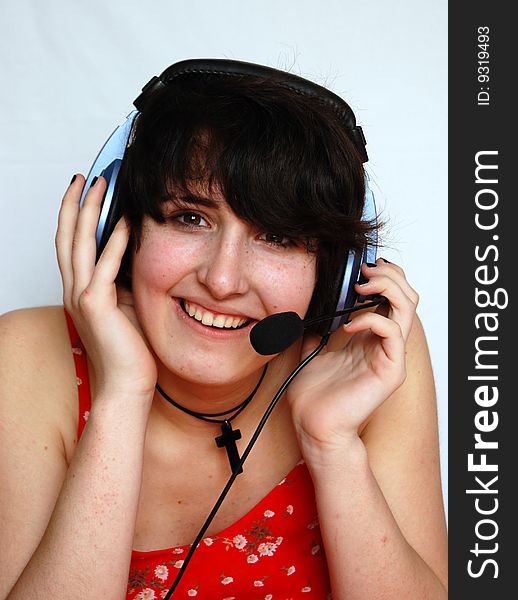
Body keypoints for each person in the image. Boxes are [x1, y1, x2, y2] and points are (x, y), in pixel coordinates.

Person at [0, 61, 447, 599]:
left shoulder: (365, 352)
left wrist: (333, 446)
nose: (222, 279)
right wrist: (121, 396)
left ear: (335, 273)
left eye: (278, 237)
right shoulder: (23, 358)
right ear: (118, 227)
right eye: (191, 218)